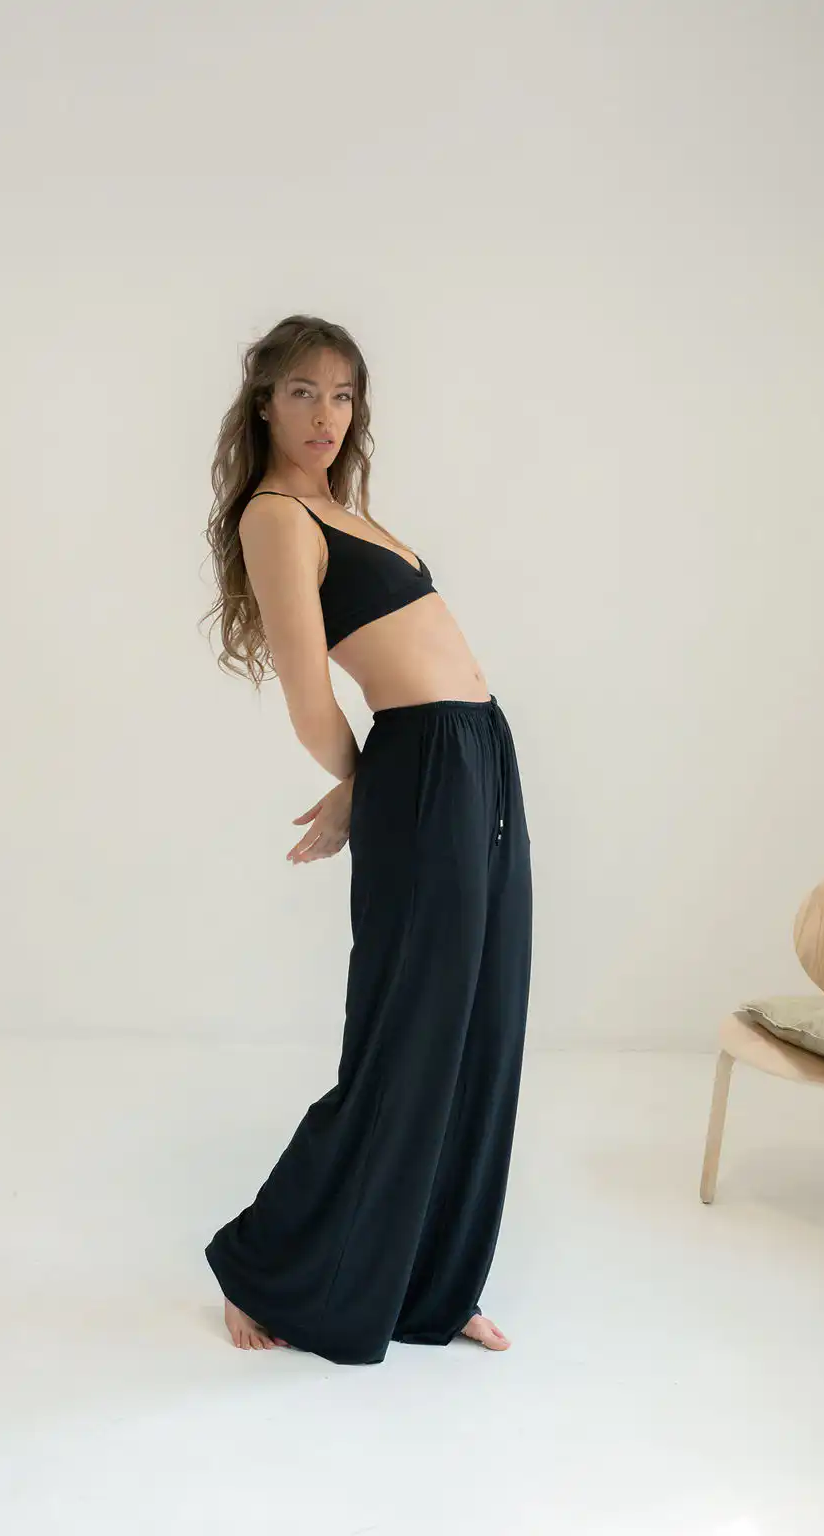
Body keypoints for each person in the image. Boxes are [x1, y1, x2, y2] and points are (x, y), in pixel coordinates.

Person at [200, 314, 533, 1365]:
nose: (325, 415)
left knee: (480, 1031)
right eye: (303, 392)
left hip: (477, 756)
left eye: (342, 395)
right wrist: (362, 787)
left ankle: (434, 1288)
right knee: (406, 1037)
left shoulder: (344, 509)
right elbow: (311, 701)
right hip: (423, 768)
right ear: (264, 402)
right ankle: (262, 1263)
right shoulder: (275, 516)